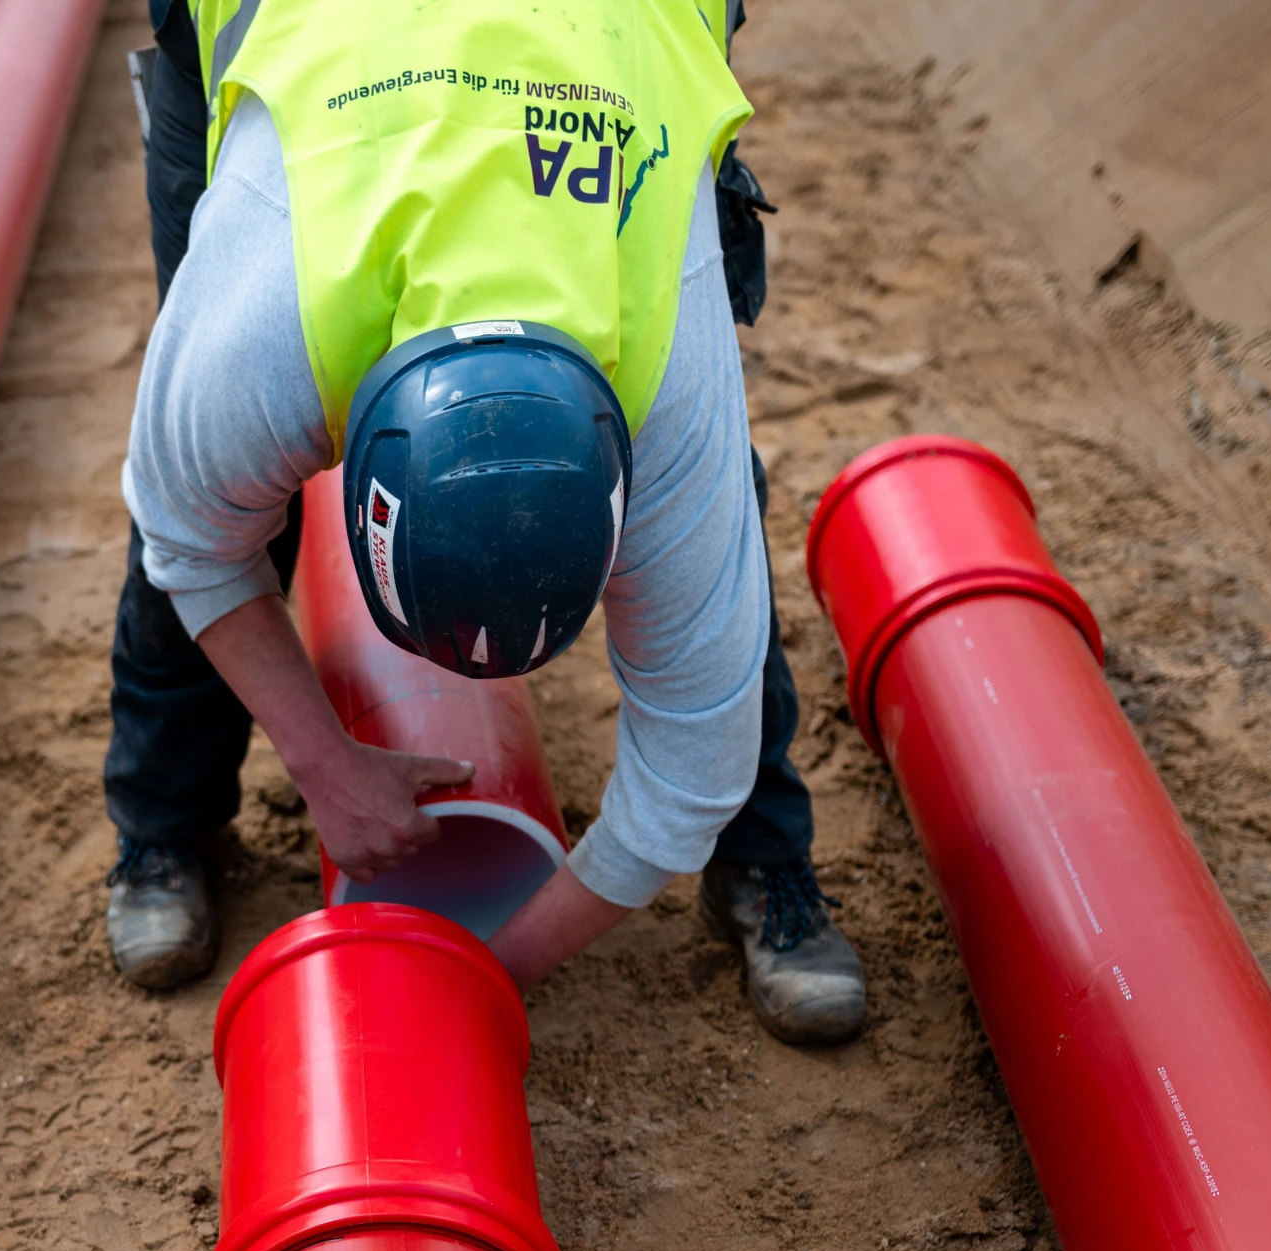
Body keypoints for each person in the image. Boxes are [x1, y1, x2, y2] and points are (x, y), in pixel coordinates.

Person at [101, 0, 867, 1045]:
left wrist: (480, 979)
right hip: (302, 52)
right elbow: (185, 537)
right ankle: (164, 827)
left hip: (613, 53)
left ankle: (767, 856)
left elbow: (688, 781)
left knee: (715, 541)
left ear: (614, 474)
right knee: (224, 501)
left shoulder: (665, 378)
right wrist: (325, 763)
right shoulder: (258, 328)